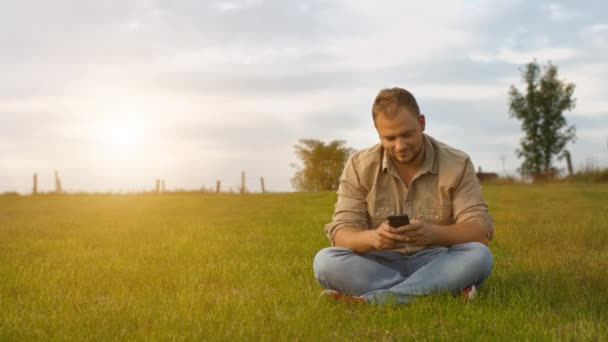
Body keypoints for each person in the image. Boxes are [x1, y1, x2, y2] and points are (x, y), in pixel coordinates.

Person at [313, 87, 494, 304]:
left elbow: (479, 232)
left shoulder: (457, 163)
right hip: (377, 263)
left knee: (479, 256)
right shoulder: (359, 166)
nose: (400, 146)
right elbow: (341, 234)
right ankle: (441, 289)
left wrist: (433, 234)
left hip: (436, 260)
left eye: (408, 134)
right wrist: (374, 238)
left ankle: (372, 301)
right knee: (325, 261)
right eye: (389, 138)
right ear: (377, 131)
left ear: (422, 123)